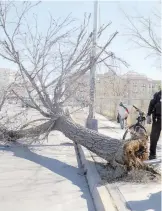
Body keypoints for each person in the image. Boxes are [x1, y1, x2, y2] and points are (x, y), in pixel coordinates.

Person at [147, 90, 161, 160]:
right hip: (157, 120)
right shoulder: (157, 96)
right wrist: (148, 115)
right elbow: (151, 104)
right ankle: (152, 154)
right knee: (154, 137)